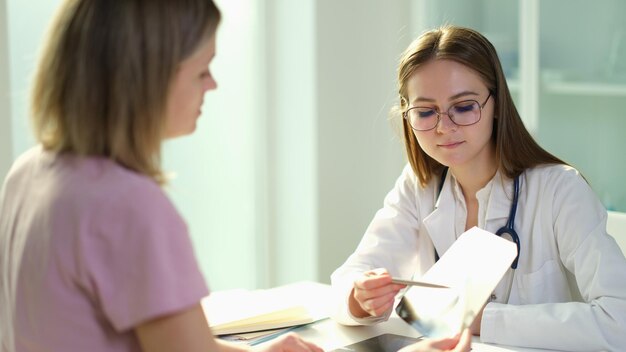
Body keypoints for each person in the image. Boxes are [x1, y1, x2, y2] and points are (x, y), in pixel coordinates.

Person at [0, 1, 322, 351]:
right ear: (146, 80)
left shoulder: (27, 173)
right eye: (202, 71)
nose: (212, 84)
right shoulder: (129, 205)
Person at [330, 25, 626, 351]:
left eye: (464, 106)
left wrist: (484, 319)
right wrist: (361, 299)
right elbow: (351, 276)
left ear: (496, 104)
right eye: (426, 112)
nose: (444, 127)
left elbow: (619, 320)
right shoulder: (419, 187)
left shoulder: (559, 191)